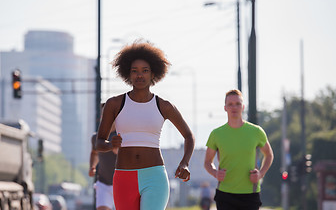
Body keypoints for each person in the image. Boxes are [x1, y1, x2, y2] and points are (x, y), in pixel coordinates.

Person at [96, 40, 195, 210]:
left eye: (145, 71)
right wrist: (110, 145)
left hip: (154, 177)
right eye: (134, 71)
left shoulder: (164, 106)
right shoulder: (114, 104)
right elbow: (99, 142)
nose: (139, 75)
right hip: (123, 178)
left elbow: (188, 136)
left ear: (153, 74)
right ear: (128, 74)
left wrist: (184, 163)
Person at [204, 89, 274, 210]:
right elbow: (207, 162)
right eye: (230, 104)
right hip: (225, 194)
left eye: (237, 104)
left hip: (250, 194)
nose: (234, 107)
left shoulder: (256, 131)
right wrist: (215, 173)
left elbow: (269, 155)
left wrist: (260, 174)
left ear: (243, 107)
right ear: (225, 108)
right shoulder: (216, 134)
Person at [89, 103, 118, 210]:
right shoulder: (95, 137)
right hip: (104, 184)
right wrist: (92, 166)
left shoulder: (123, 136)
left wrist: (120, 152)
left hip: (122, 185)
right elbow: (94, 153)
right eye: (104, 116)